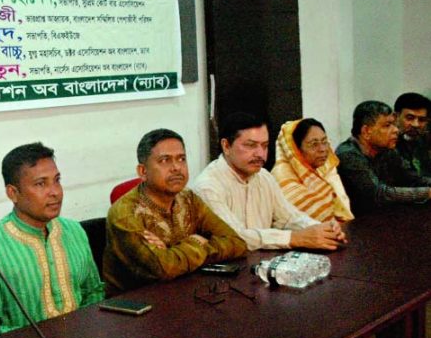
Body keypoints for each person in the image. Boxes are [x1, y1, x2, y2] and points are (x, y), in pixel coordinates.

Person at [0, 142, 103, 336]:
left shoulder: (74, 231)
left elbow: (94, 292)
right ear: (13, 193)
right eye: (41, 184)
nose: (55, 192)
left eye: (57, 180)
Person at [103, 129, 246, 296]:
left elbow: (237, 243)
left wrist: (178, 252)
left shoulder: (189, 199)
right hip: (134, 307)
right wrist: (197, 242)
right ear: (143, 171)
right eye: (165, 160)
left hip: (183, 292)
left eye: (181, 159)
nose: (177, 167)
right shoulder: (125, 214)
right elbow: (163, 268)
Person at [193, 112, 346, 251]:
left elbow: (288, 218)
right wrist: (295, 238)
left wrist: (322, 229)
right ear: (226, 146)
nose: (260, 154)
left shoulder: (264, 177)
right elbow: (236, 237)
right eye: (251, 145)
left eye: (265, 146)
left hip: (263, 266)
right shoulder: (208, 186)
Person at [336, 101, 431, 215]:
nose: (396, 130)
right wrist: (427, 192)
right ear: (366, 131)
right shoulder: (348, 154)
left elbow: (412, 178)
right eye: (387, 125)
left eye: (394, 124)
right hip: (358, 223)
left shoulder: (386, 150)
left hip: (385, 217)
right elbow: (378, 194)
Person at [271, 118, 354, 222]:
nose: (322, 149)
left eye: (324, 142)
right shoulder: (282, 178)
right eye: (314, 144)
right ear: (295, 149)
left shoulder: (323, 169)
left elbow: (344, 209)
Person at [394, 92, 431, 179]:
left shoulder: (424, 141)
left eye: (422, 120)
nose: (416, 124)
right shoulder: (387, 144)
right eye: (410, 118)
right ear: (396, 117)